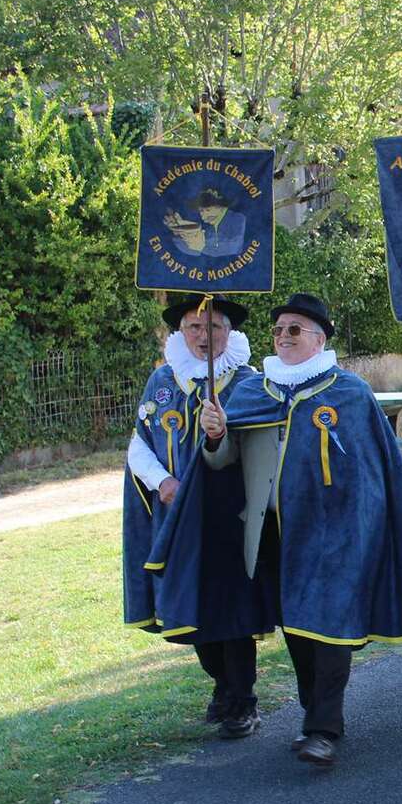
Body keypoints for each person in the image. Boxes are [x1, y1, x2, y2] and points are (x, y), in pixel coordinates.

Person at [180, 293, 402, 768]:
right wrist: (214, 433)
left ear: (319, 338)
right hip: (274, 533)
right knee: (298, 626)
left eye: (294, 329)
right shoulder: (251, 393)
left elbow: (378, 471)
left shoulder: (349, 393)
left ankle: (323, 729)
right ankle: (314, 709)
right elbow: (222, 461)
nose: (283, 337)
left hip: (337, 535)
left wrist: (365, 524)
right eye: (278, 331)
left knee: (329, 621)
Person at [123, 294, 267, 739]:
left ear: (231, 332)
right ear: (182, 332)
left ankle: (243, 700)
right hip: (176, 517)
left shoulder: (247, 383)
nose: (205, 337)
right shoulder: (162, 382)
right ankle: (221, 685)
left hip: (229, 519)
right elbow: (138, 443)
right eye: (194, 328)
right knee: (191, 605)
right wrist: (163, 482)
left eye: (215, 327)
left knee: (231, 611)